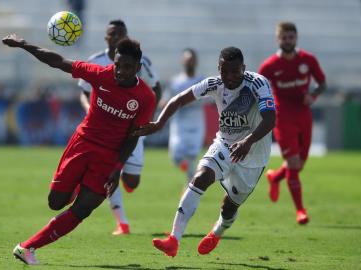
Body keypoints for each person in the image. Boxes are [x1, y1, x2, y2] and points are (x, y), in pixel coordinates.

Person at [2, 33, 156, 265]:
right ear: (112, 61)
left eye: (127, 67)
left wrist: (117, 168)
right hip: (82, 145)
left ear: (137, 67)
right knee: (55, 202)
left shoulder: (145, 97)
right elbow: (58, 61)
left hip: (108, 159)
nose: (121, 71)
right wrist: (23, 44)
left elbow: (132, 137)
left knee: (83, 209)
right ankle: (74, 187)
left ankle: (27, 247)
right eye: (117, 65)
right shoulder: (100, 75)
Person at [133, 47, 276, 257]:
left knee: (229, 207)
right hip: (225, 145)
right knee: (200, 177)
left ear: (243, 69)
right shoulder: (214, 84)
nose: (229, 77)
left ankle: (218, 231)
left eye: (234, 72)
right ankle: (173, 239)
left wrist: (248, 141)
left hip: (253, 154)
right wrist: (160, 122)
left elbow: (270, 118)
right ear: (219, 68)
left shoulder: (257, 83)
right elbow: (180, 99)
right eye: (224, 71)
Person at [78, 19, 162, 235]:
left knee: (132, 182)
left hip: (131, 129)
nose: (116, 37)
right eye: (112, 34)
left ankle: (124, 173)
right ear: (106, 37)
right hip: (104, 130)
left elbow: (156, 88)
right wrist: (90, 108)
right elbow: (84, 91)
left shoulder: (140, 62)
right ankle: (122, 223)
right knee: (108, 174)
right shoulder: (95, 60)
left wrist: (146, 119)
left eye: (120, 34)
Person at [258, 22, 326, 225]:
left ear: (296, 38)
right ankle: (300, 211)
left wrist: (313, 96)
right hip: (283, 117)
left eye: (291, 37)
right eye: (284, 38)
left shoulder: (308, 59)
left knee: (299, 163)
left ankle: (275, 177)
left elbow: (322, 83)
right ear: (278, 39)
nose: (288, 41)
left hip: (304, 115)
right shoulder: (269, 66)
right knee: (294, 164)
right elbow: (257, 87)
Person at [162, 48, 205, 181]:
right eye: (187, 60)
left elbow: (209, 98)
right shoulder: (176, 81)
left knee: (192, 155)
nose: (189, 63)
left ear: (196, 62)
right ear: (182, 61)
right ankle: (191, 175)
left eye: (191, 60)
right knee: (176, 156)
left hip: (196, 122)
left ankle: (190, 185)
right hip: (179, 122)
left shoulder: (202, 80)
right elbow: (165, 100)